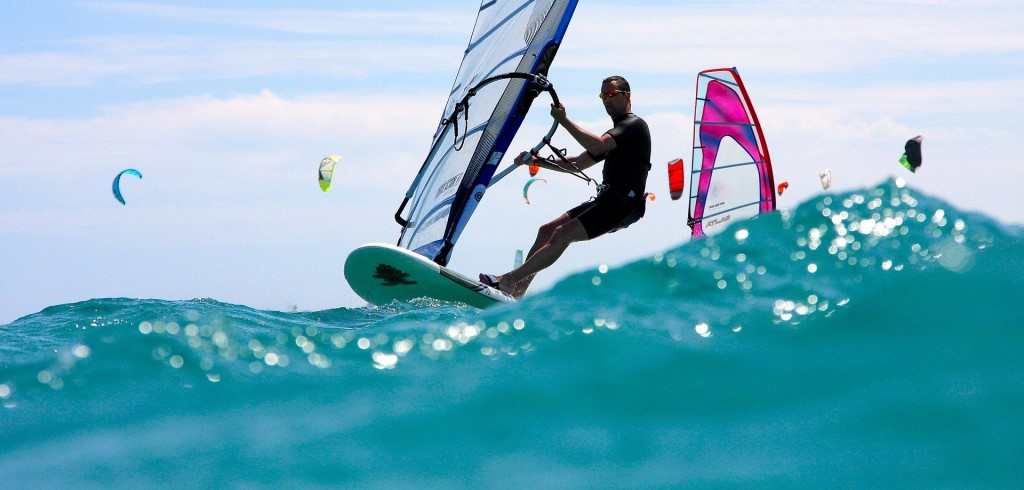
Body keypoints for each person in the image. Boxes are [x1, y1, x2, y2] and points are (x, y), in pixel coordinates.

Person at [480, 75, 651, 298]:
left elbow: (597, 146)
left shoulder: (634, 126)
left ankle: (508, 281)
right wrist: (537, 161)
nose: (606, 100)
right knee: (547, 231)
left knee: (562, 234)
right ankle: (518, 292)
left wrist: (563, 120)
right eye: (603, 96)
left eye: (611, 94)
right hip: (607, 201)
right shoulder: (616, 135)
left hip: (623, 205)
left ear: (626, 96)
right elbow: (578, 163)